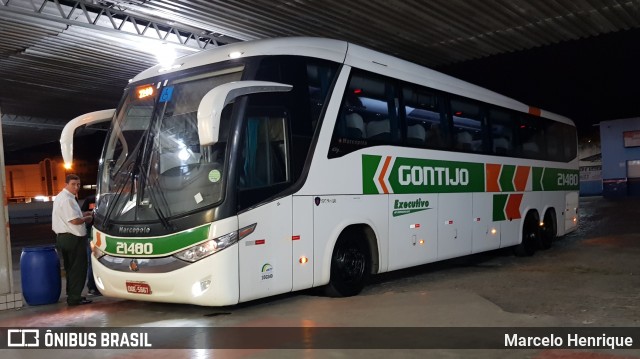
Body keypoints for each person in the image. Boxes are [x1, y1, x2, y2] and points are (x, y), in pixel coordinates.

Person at [52, 174, 93, 306]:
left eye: (78, 185)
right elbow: (74, 220)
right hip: (73, 238)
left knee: (71, 268)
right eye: (73, 184)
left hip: (64, 237)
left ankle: (72, 295)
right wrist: (87, 218)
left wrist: (83, 214)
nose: (76, 187)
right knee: (78, 268)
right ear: (66, 184)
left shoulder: (61, 197)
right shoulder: (68, 199)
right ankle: (75, 297)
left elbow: (71, 216)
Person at [80, 193, 101, 296]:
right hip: (92, 236)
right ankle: (92, 287)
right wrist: (90, 215)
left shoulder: (109, 198)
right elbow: (83, 214)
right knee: (92, 262)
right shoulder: (90, 199)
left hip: (104, 235)